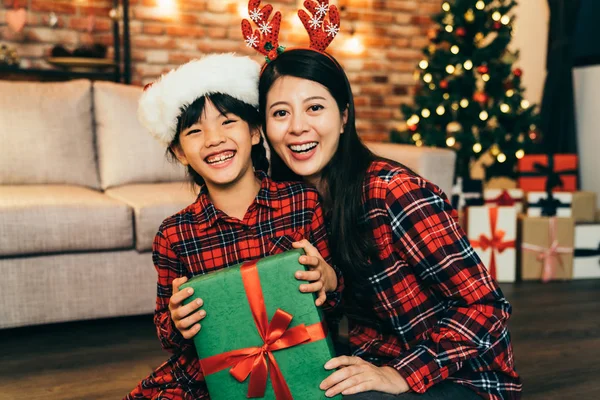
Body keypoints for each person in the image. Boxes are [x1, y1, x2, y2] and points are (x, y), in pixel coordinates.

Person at [258, 48, 522, 400]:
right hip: (372, 357)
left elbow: (487, 307)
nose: (297, 127)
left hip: (462, 375)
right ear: (263, 127)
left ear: (344, 117)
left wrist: (401, 374)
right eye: (280, 113)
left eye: (315, 107)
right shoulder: (291, 204)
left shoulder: (394, 192)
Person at [125, 53, 341, 400]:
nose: (213, 139)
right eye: (195, 131)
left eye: (227, 122)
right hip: (209, 374)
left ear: (255, 131)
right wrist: (178, 321)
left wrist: (328, 279)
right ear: (180, 152)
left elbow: (333, 301)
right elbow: (166, 333)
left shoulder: (302, 203)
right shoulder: (174, 234)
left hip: (299, 362)